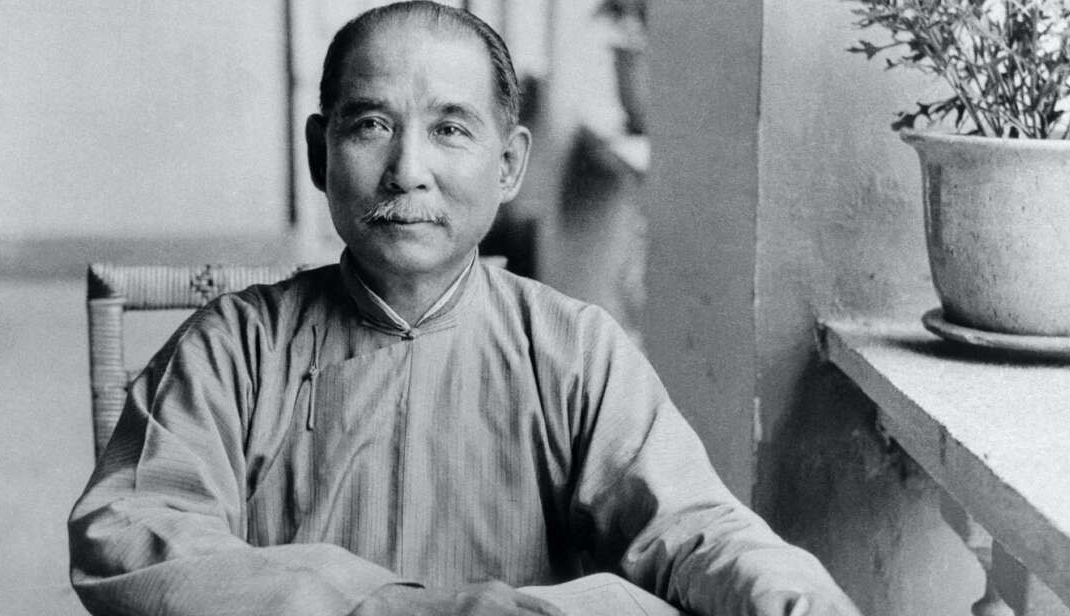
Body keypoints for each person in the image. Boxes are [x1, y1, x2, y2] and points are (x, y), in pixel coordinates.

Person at [67, 3, 862, 615]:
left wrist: (787, 594)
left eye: (450, 128)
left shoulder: (573, 350)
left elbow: (696, 529)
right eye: (372, 124)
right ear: (319, 152)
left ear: (509, 162)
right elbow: (132, 531)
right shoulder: (234, 348)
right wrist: (387, 608)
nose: (408, 170)